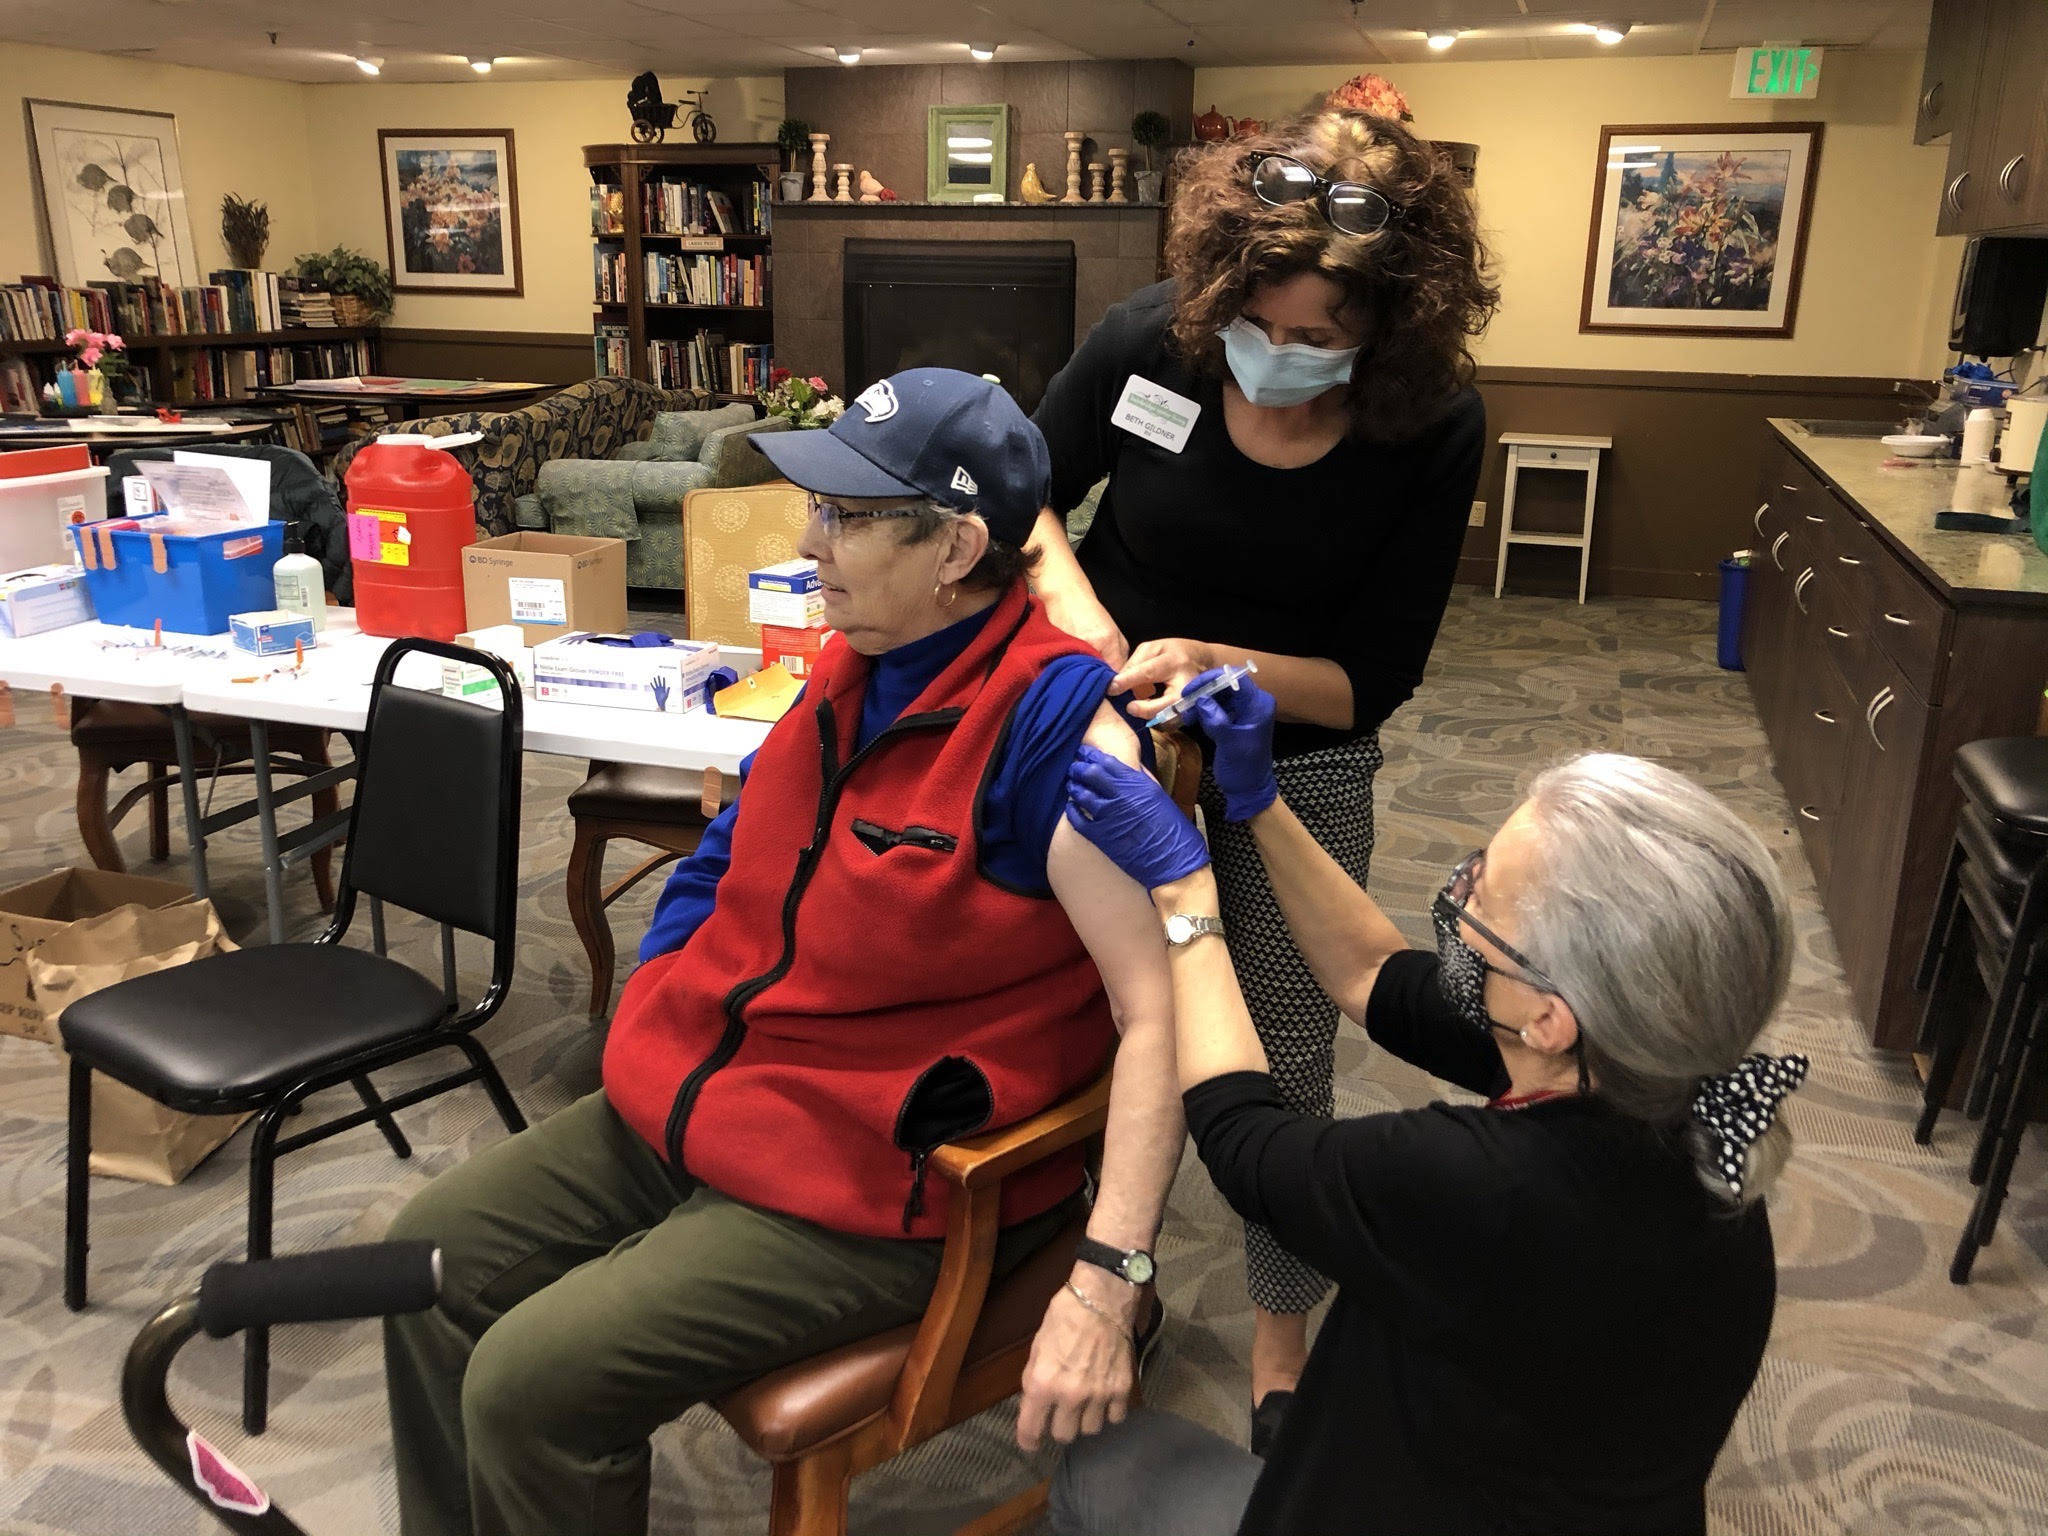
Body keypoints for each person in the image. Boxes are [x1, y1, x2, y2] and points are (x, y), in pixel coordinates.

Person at [383, 370, 1184, 1536]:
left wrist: (1112, 1282)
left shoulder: (1061, 744)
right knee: (425, 1259)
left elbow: (1156, 1018)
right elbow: (725, 850)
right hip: (709, 1090)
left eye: (848, 518)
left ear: (957, 546)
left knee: (528, 1384)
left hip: (866, 1179)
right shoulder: (845, 669)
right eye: (815, 506)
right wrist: (658, 989)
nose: (809, 541)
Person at [1049, 671, 1809, 1536]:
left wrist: (1186, 893)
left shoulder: (1479, 1184)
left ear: (1550, 1017)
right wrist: (1258, 801)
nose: (1460, 894)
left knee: (1104, 1465)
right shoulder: (1666, 1085)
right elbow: (1371, 974)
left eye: (1482, 902)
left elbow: (1243, 1142)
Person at [1027, 104, 1500, 1443]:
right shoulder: (1153, 340)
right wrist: (1107, 645)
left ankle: (1281, 1349)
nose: (1276, 357)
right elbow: (1028, 504)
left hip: (1297, 757)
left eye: (1317, 344)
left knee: (1287, 1050)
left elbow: (1374, 676)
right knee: (1098, 1014)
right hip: (1118, 722)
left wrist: (1218, 661)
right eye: (1260, 326)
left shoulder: (1433, 424)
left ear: (1384, 340)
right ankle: (1093, 1277)